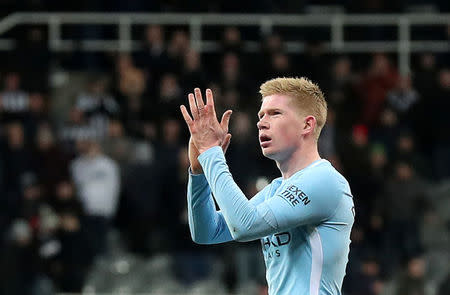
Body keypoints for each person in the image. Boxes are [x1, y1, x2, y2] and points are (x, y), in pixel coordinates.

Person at [180, 77, 355, 295]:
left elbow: (244, 226)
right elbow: (207, 232)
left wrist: (212, 155)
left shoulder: (325, 180)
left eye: (275, 113)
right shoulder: (276, 189)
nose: (261, 122)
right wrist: (200, 174)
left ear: (307, 125)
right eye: (261, 115)